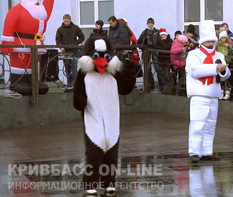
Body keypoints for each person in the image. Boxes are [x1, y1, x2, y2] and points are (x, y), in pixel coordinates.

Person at [73, 37, 136, 195]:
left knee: (112, 150)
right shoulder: (84, 74)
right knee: (95, 150)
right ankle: (90, 183)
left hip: (111, 116)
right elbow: (78, 93)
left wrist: (129, 73)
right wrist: (80, 101)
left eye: (105, 56)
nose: (101, 61)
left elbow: (125, 88)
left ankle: (109, 182)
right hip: (92, 116)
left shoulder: (113, 74)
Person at [186, 20, 231, 163]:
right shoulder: (194, 54)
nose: (211, 44)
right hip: (199, 95)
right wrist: (215, 68)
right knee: (197, 124)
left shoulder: (219, 55)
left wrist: (223, 71)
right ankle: (194, 152)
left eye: (213, 41)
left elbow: (226, 75)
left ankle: (207, 151)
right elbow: (194, 71)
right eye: (208, 41)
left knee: (210, 126)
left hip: (213, 94)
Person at [1, 0, 54, 95]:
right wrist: (6, 43)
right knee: (20, 64)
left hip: (35, 43)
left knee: (32, 64)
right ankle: (18, 81)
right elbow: (8, 26)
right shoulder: (16, 10)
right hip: (20, 43)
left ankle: (32, 80)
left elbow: (48, 6)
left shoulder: (41, 11)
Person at [56, 14, 85, 89]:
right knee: (67, 68)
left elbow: (82, 37)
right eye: (65, 21)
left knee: (74, 68)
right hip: (65, 52)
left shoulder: (75, 28)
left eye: (67, 21)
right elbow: (58, 40)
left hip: (74, 51)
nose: (66, 23)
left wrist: (75, 44)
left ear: (70, 20)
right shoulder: (60, 29)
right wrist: (61, 46)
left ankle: (73, 84)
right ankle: (69, 83)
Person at [138, 18, 163, 91]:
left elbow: (161, 42)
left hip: (155, 51)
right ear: (147, 24)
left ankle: (161, 85)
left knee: (158, 67)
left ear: (153, 24)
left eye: (151, 23)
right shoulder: (144, 32)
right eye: (149, 23)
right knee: (147, 69)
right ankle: (150, 84)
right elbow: (139, 42)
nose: (150, 24)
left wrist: (157, 48)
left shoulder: (157, 32)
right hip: (146, 52)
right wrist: (143, 49)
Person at [216, 30, 233, 100]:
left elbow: (231, 53)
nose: (223, 39)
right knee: (220, 79)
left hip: (227, 63)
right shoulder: (218, 46)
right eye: (222, 38)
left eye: (224, 38)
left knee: (227, 78)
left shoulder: (229, 46)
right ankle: (221, 92)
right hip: (219, 63)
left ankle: (227, 92)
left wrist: (228, 47)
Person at [157, 28, 173, 94]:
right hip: (161, 59)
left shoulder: (169, 40)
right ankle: (165, 88)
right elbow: (155, 46)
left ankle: (170, 86)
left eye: (164, 35)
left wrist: (162, 42)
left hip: (167, 59)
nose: (163, 36)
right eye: (162, 35)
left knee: (167, 73)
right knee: (163, 74)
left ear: (166, 35)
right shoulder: (159, 40)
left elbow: (167, 47)